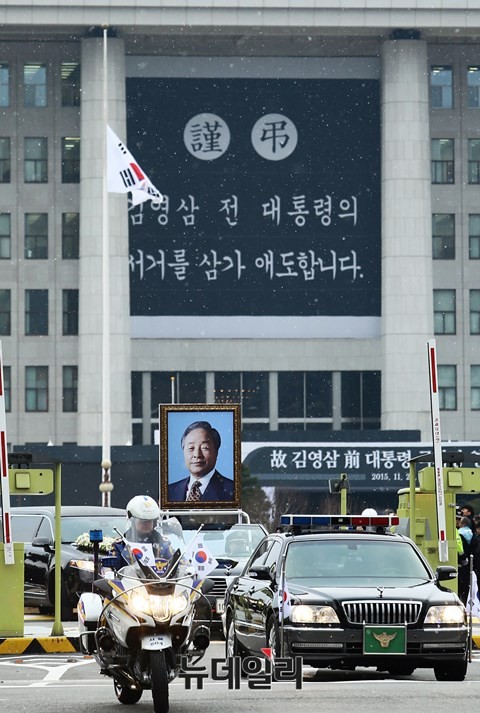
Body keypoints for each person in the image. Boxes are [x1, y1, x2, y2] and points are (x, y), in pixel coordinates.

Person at [168, 420, 234, 502]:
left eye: (204, 447)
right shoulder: (169, 492)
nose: (197, 455)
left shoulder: (233, 491)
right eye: (191, 448)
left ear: (216, 452)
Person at [111, 495, 174, 570]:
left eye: (150, 521)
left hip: (159, 578)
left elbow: (179, 564)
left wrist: (184, 570)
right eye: (143, 521)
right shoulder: (120, 546)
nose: (147, 524)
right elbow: (110, 570)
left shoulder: (163, 544)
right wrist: (109, 573)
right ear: (132, 521)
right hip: (130, 578)